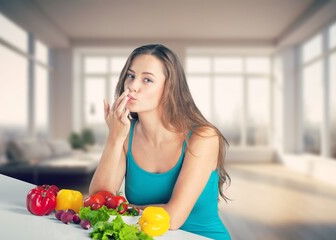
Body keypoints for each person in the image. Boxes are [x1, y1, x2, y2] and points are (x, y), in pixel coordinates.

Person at [89, 44, 231, 240]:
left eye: (147, 79)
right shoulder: (124, 136)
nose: (132, 86)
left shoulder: (203, 138)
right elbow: (99, 199)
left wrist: (117, 209)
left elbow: (172, 218)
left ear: (169, 88)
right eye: (130, 76)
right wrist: (114, 137)